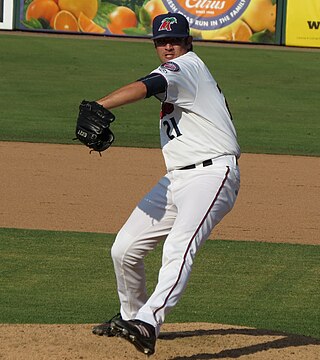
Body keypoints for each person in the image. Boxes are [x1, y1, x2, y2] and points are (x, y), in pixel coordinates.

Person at [91, 12, 241, 356]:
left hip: (212, 175)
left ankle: (148, 323)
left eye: (174, 40)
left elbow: (149, 86)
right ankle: (131, 316)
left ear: (188, 42)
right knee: (124, 248)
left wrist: (99, 105)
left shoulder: (187, 65)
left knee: (178, 247)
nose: (168, 46)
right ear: (155, 44)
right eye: (162, 41)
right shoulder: (182, 71)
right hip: (177, 179)